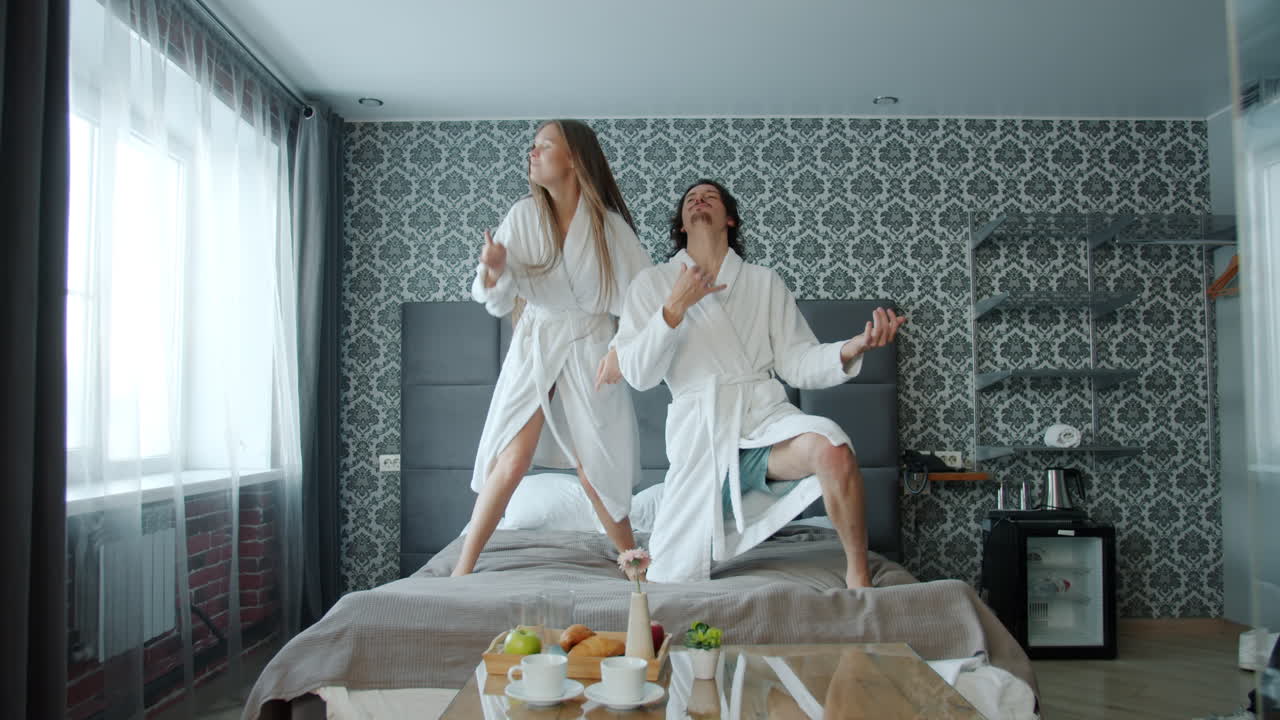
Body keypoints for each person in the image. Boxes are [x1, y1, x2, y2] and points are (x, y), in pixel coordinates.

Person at [614, 179, 905, 588]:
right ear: (680, 224)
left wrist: (851, 348)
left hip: (763, 424)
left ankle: (859, 579)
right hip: (703, 439)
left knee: (834, 448)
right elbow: (638, 374)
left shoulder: (764, 282)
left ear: (729, 218)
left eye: (709, 197)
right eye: (690, 200)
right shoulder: (650, 285)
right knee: (668, 578)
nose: (698, 201)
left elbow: (797, 361)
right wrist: (674, 307)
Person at [454, 120, 653, 576]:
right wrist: (492, 270)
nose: (533, 153)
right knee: (513, 456)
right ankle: (462, 569)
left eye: (545, 146)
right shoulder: (523, 215)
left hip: (591, 344)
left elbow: (642, 300)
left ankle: (633, 564)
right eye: (533, 146)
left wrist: (621, 351)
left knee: (594, 464)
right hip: (537, 341)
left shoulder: (611, 229)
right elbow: (497, 298)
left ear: (574, 158)